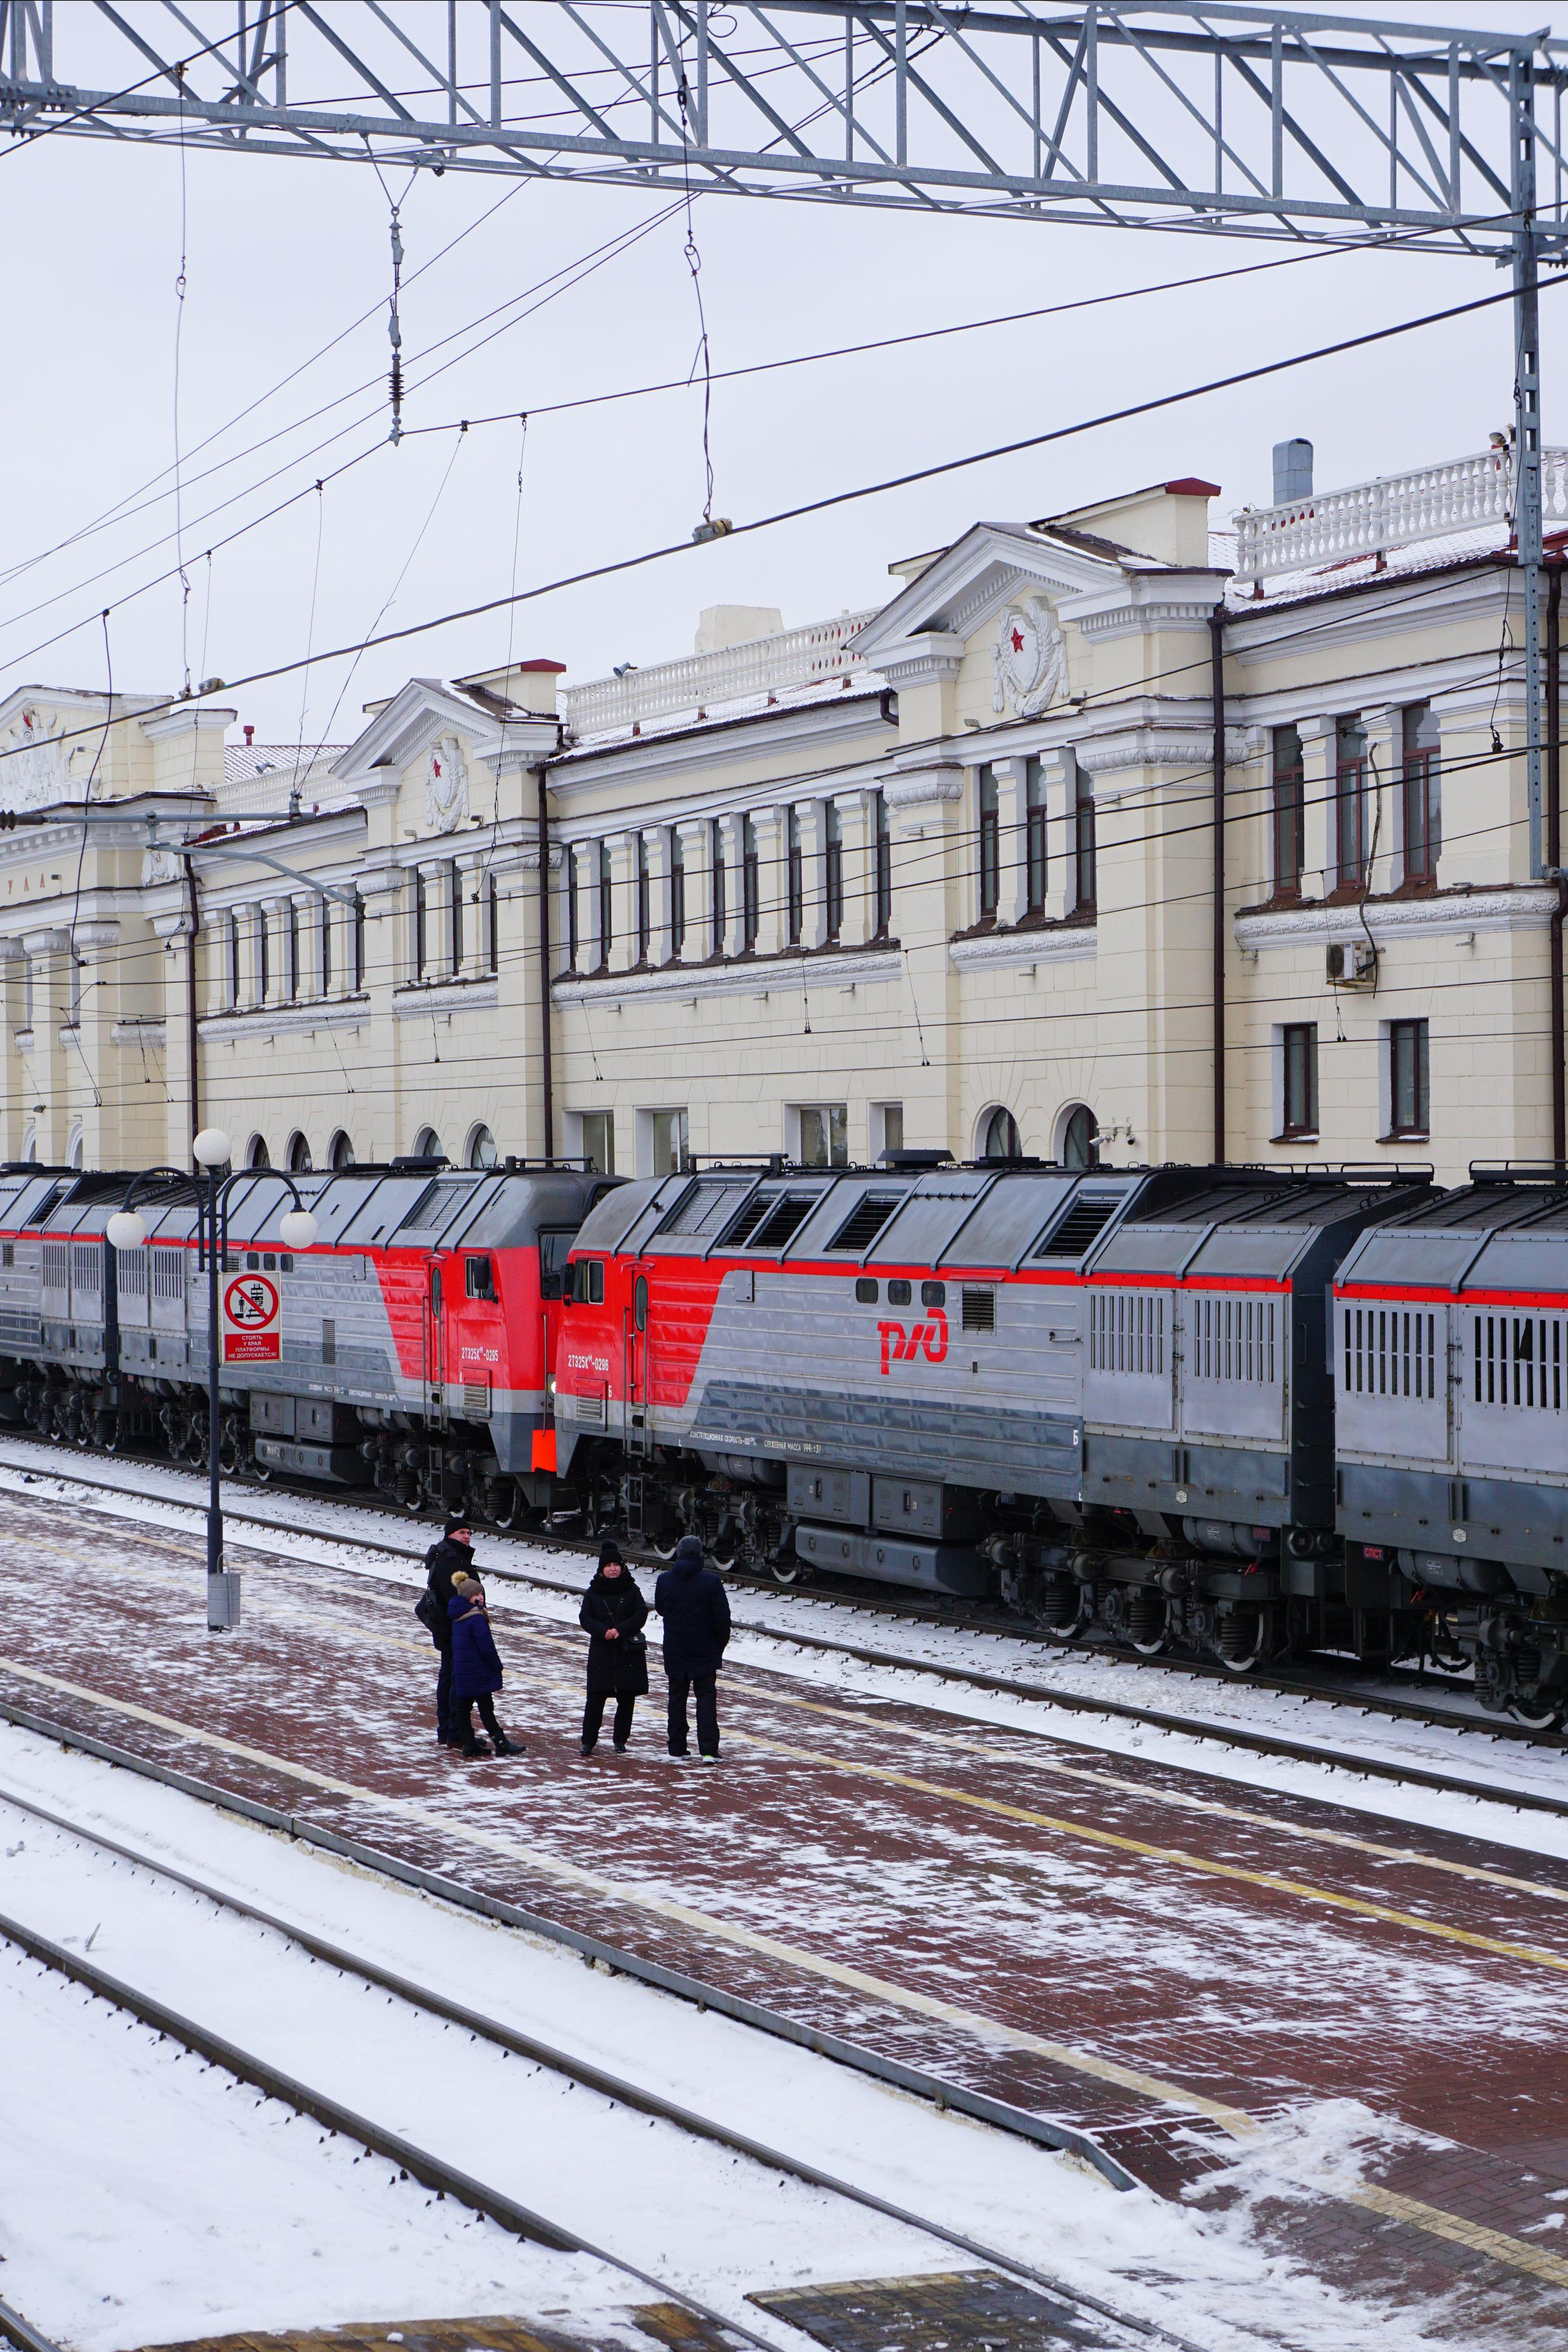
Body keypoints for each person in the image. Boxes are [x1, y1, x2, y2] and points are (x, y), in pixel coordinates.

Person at [654, 1532, 731, 1763]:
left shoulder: (665, 1580)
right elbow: (722, 1620)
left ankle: (676, 1747)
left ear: (678, 1554)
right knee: (705, 1699)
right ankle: (708, 1749)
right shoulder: (711, 1582)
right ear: (699, 1555)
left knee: (677, 1697)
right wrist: (718, 1647)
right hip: (705, 1650)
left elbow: (660, 1609)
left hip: (675, 1649)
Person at [579, 1539, 649, 1755]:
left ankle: (620, 1740)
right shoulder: (593, 1592)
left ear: (622, 1567)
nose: (613, 1569)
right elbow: (585, 1618)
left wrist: (621, 1629)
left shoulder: (632, 1589)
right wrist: (603, 1631)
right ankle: (588, 1741)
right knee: (596, 1698)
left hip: (627, 1651)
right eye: (608, 1566)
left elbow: (641, 1614)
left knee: (626, 1699)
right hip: (602, 1652)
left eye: (616, 1565)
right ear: (602, 1569)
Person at [448, 1578, 522, 1758]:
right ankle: (501, 1742)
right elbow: (486, 1646)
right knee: (486, 1707)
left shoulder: (457, 1616)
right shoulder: (476, 1618)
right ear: (467, 1597)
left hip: (464, 1672)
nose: (480, 1598)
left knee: (463, 1708)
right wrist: (497, 1666)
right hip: (478, 1671)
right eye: (476, 1595)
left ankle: (469, 1744)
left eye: (481, 1594)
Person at [422, 1517, 474, 1749]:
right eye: (462, 1532)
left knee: (448, 1678)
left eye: (469, 1532)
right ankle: (455, 1732)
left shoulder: (443, 1555)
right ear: (450, 1535)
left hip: (446, 1627)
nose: (466, 1536)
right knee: (456, 1680)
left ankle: (446, 1730)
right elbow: (458, 1600)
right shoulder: (452, 1561)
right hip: (456, 1629)